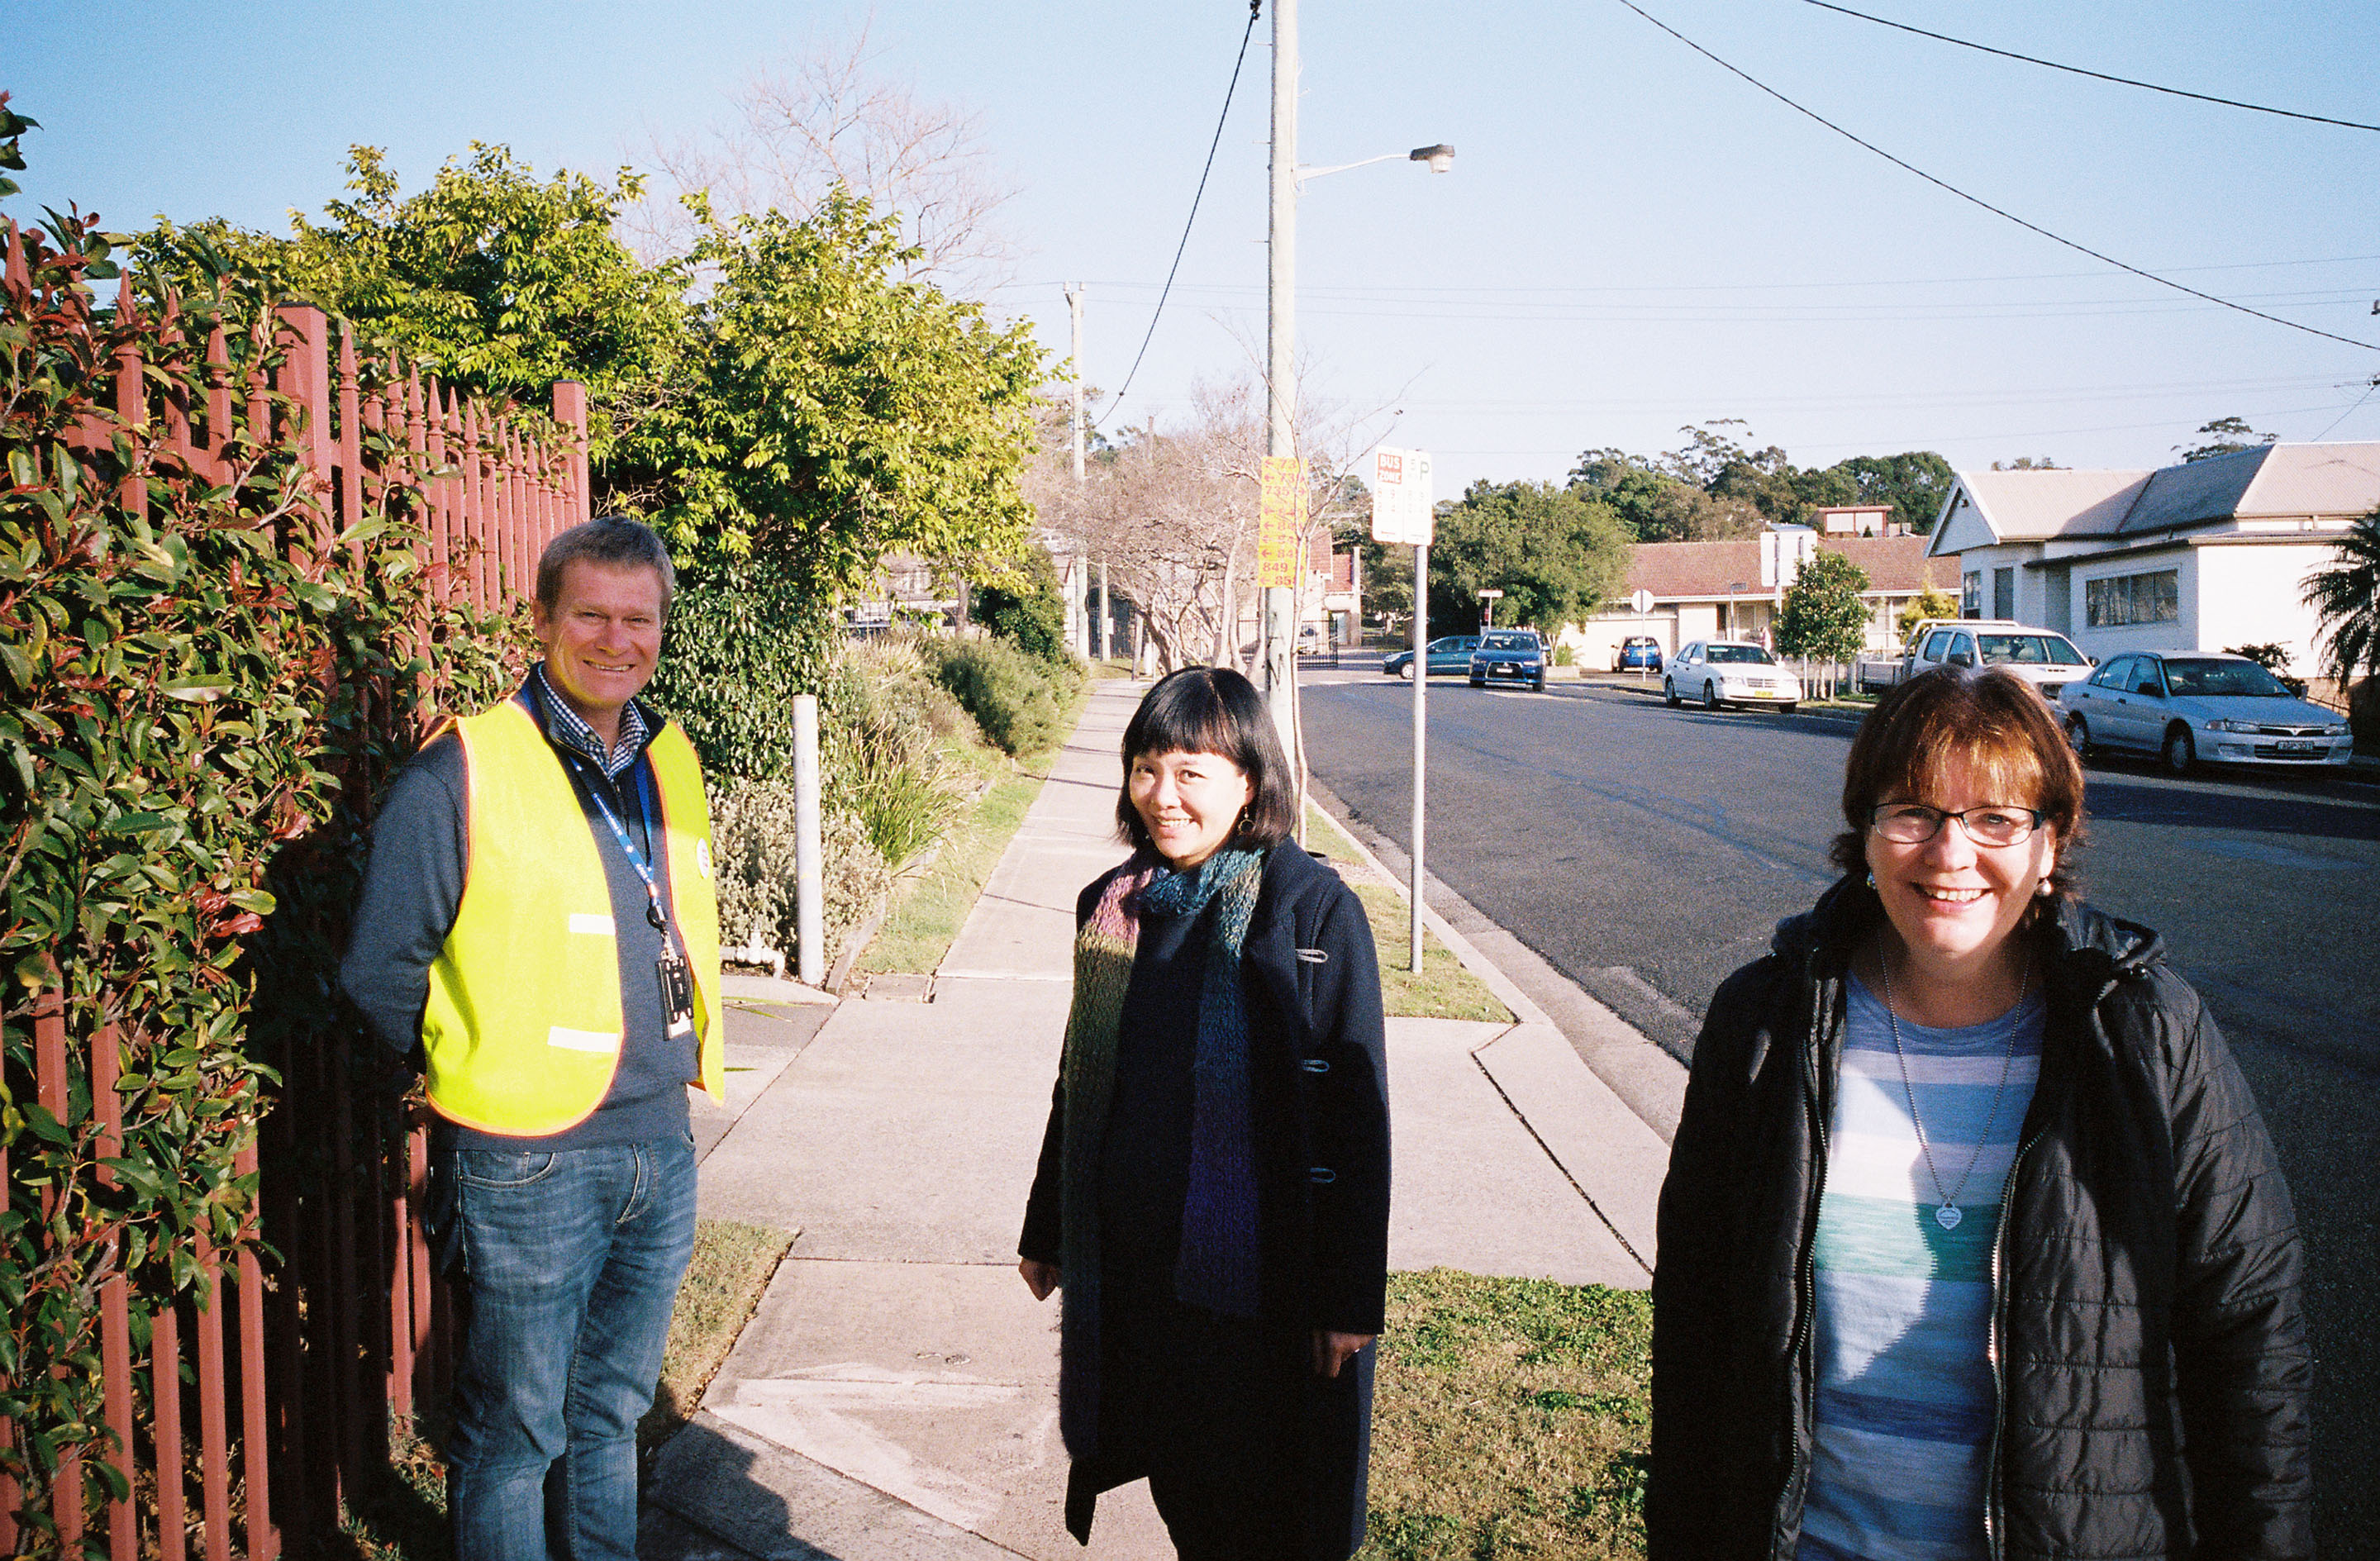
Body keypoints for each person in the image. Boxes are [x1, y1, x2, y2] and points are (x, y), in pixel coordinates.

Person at [1647, 665, 2311, 1560]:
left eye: (1996, 818)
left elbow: (2252, 1335)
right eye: (1913, 810)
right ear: (1868, 830)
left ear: (2050, 842)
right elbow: (1696, 1318)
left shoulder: (2145, 1033)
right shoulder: (1767, 1022)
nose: (1950, 854)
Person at [339, 516, 724, 1561]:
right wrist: (473, 1067)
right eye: (589, 613)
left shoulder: (667, 755)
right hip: (526, 1156)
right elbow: (381, 969)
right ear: (543, 618)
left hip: (658, 1139)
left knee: (609, 1414)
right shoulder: (459, 768)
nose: (615, 639)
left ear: (660, 627)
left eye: (637, 618)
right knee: (515, 1430)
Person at [1018, 667, 1391, 1561]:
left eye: (1192, 772)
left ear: (1250, 782)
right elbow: (1080, 1082)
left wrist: (1349, 1300)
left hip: (1261, 1288)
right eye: (1147, 768)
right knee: (1185, 1488)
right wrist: (1048, 1226)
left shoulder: (1310, 910)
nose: (1163, 795)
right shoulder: (1113, 907)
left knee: (1267, 1510)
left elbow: (1358, 1121)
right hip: (1143, 1275)